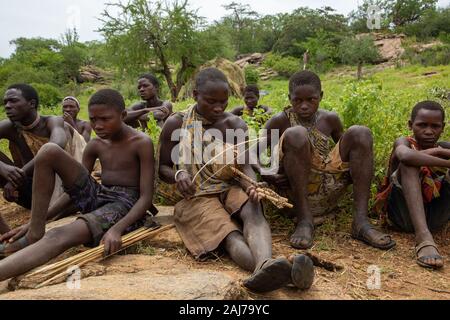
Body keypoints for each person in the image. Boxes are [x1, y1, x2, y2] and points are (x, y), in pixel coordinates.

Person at [158, 68, 314, 293]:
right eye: (211, 102)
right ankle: (278, 271)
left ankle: (265, 267)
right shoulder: (177, 124)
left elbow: (245, 164)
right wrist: (179, 175)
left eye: (223, 102)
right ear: (194, 95)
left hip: (229, 185)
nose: (218, 108)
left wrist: (251, 185)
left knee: (253, 209)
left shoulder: (235, 125)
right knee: (229, 233)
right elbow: (162, 167)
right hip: (196, 194)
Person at [0, 89, 155, 281]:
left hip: (124, 205)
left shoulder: (141, 142)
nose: (98, 125)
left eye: (105, 119)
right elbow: (76, 191)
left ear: (123, 115)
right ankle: (35, 232)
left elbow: (146, 198)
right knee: (49, 150)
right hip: (99, 195)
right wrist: (38, 220)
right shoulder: (95, 145)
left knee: (57, 235)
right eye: (93, 119)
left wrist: (117, 229)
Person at [255, 70, 396, 250]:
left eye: (310, 100)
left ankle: (361, 222)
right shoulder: (280, 120)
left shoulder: (330, 119)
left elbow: (347, 152)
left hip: (327, 191)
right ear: (289, 98)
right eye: (298, 100)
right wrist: (268, 174)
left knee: (361, 132)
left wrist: (355, 172)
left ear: (320, 96)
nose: (304, 106)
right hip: (292, 195)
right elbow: (252, 153)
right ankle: (305, 221)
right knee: (296, 134)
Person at [0, 84, 86, 234]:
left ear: (31, 104)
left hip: (67, 193)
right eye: (5, 102)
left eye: (13, 101)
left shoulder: (52, 122)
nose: (7, 106)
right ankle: (6, 235)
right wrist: (4, 169)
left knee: (49, 152)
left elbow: (54, 146)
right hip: (34, 193)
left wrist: (16, 176)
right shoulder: (10, 127)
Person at [374, 101, 449, 269]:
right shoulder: (404, 142)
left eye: (435, 126)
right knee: (408, 163)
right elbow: (406, 156)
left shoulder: (443, 147)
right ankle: (423, 239)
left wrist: (439, 150)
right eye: (422, 125)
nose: (429, 131)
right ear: (410, 125)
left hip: (435, 217)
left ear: (442, 127)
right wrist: (441, 156)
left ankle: (426, 231)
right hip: (402, 216)